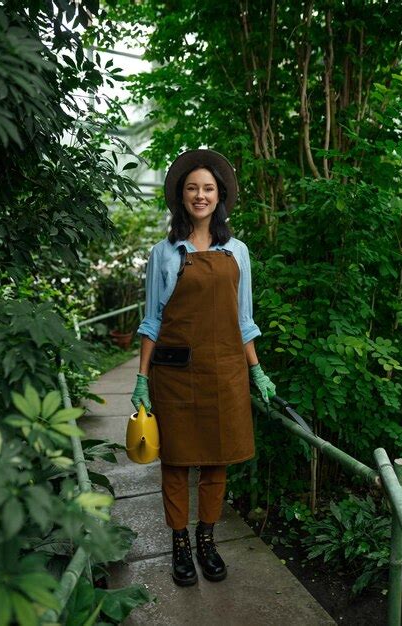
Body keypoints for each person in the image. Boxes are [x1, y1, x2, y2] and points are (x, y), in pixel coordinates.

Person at [131, 149, 276, 587]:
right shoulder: (165, 251)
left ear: (220, 196)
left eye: (208, 189)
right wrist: (141, 377)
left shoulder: (238, 252)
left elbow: (243, 319)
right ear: (181, 196)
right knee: (175, 462)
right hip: (174, 375)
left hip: (226, 372)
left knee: (217, 461)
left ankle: (206, 542)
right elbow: (152, 318)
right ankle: (179, 546)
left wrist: (257, 371)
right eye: (192, 188)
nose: (200, 195)